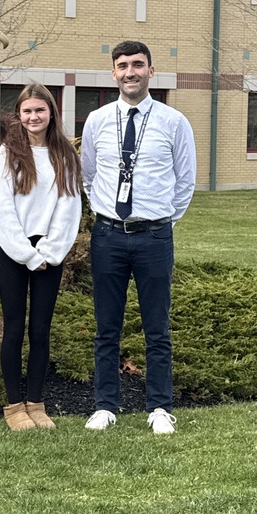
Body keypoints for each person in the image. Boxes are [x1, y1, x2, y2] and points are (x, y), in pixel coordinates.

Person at [81, 41, 196, 434]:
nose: (130, 72)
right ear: (113, 73)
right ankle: (105, 405)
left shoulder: (173, 121)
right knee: (106, 327)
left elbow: (185, 182)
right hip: (108, 235)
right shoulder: (96, 120)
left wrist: (160, 221)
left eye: (137, 65)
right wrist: (109, 213)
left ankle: (160, 407)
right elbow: (88, 177)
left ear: (151, 71)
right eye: (122, 65)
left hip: (154, 238)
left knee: (157, 327)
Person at [0, 84, 82, 430]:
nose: (33, 117)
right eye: (27, 111)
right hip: (14, 251)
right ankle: (14, 406)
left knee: (41, 330)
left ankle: (37, 403)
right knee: (14, 328)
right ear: (19, 115)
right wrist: (26, 254)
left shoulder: (64, 154)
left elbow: (70, 206)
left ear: (51, 113)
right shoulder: (9, 153)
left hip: (49, 253)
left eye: (40, 110)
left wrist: (50, 251)